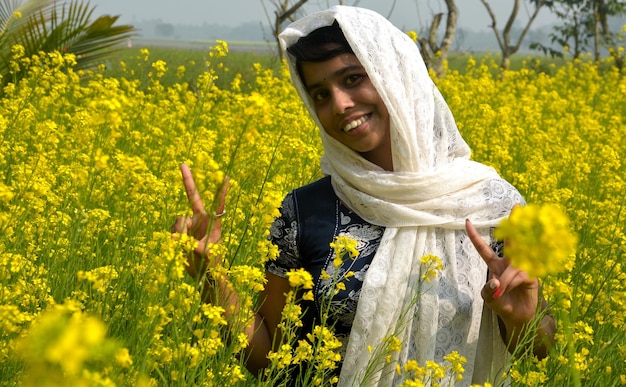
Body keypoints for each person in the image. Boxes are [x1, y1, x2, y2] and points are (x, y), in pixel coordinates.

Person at [171, 5, 555, 386]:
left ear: (395, 76)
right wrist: (212, 277)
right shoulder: (302, 211)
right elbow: (267, 360)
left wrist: (524, 320)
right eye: (320, 94)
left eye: (353, 79)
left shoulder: (494, 204)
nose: (339, 104)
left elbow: (537, 348)